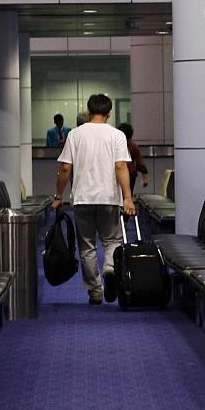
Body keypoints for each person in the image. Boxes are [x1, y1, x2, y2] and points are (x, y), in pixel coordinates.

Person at [51, 94, 136, 305]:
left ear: (89, 112)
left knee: (87, 246)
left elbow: (65, 168)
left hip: (83, 199)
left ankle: (95, 291)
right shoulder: (117, 135)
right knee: (112, 240)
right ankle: (109, 269)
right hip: (109, 198)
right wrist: (127, 198)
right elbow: (121, 166)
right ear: (109, 113)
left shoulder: (75, 135)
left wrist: (58, 196)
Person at [117, 123, 149, 193]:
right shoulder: (133, 145)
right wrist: (145, 178)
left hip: (117, 173)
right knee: (128, 193)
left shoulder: (116, 145)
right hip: (130, 173)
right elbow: (140, 163)